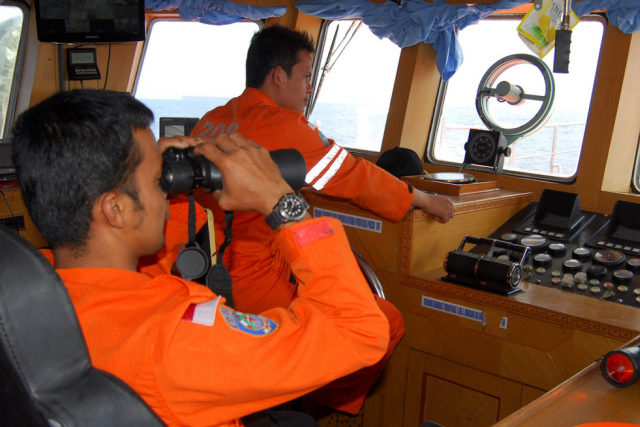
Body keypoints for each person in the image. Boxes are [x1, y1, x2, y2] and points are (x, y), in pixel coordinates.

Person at [11, 89, 390, 427]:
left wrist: (175, 187)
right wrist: (281, 202)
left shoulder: (27, 293)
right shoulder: (179, 341)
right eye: (158, 179)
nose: (165, 188)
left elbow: (137, 272)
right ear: (116, 209)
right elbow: (358, 332)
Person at [190, 25, 454, 414]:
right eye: (306, 77)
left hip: (204, 269)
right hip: (249, 278)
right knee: (383, 322)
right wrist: (425, 199)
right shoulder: (285, 125)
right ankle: (310, 401)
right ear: (278, 76)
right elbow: (352, 176)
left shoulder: (212, 119)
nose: (309, 88)